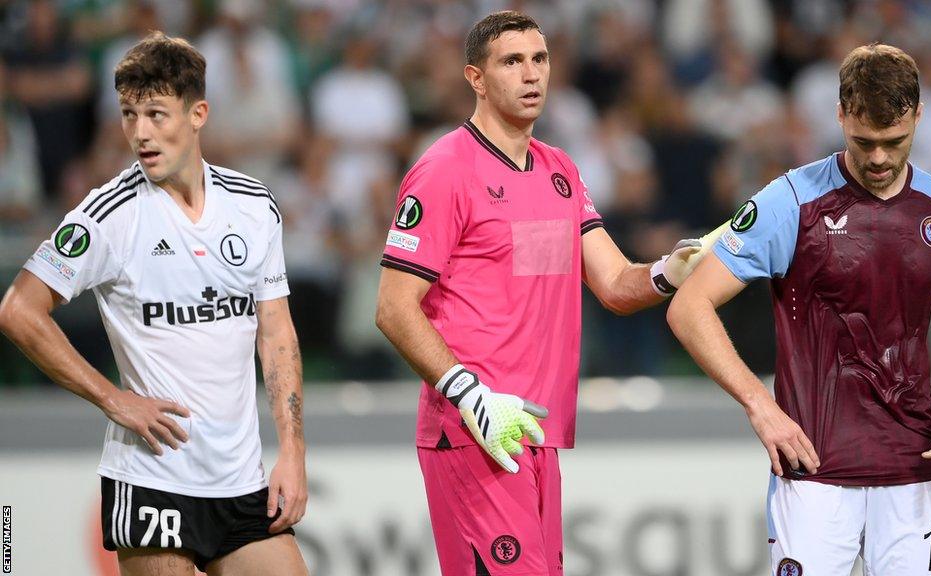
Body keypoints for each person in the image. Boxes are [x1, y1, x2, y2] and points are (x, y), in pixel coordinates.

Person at [374, 11, 719, 575]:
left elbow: (613, 283)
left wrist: (666, 272)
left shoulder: (559, 170)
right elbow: (392, 307)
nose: (531, 74)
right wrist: (470, 395)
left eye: (540, 59)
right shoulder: (444, 170)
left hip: (536, 430)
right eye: (512, 61)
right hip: (472, 431)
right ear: (476, 78)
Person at [667, 43, 931, 575]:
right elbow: (689, 306)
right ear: (840, 114)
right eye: (863, 141)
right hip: (813, 472)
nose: (879, 158)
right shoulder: (788, 203)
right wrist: (759, 404)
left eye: (894, 142)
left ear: (918, 114)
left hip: (915, 468)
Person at [0, 32, 309, 576]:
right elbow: (18, 311)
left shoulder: (254, 204)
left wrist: (293, 450)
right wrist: (113, 399)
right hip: (153, 480)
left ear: (198, 114)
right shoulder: (109, 213)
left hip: (241, 482)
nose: (140, 133)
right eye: (128, 114)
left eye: (157, 114)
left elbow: (276, 330)